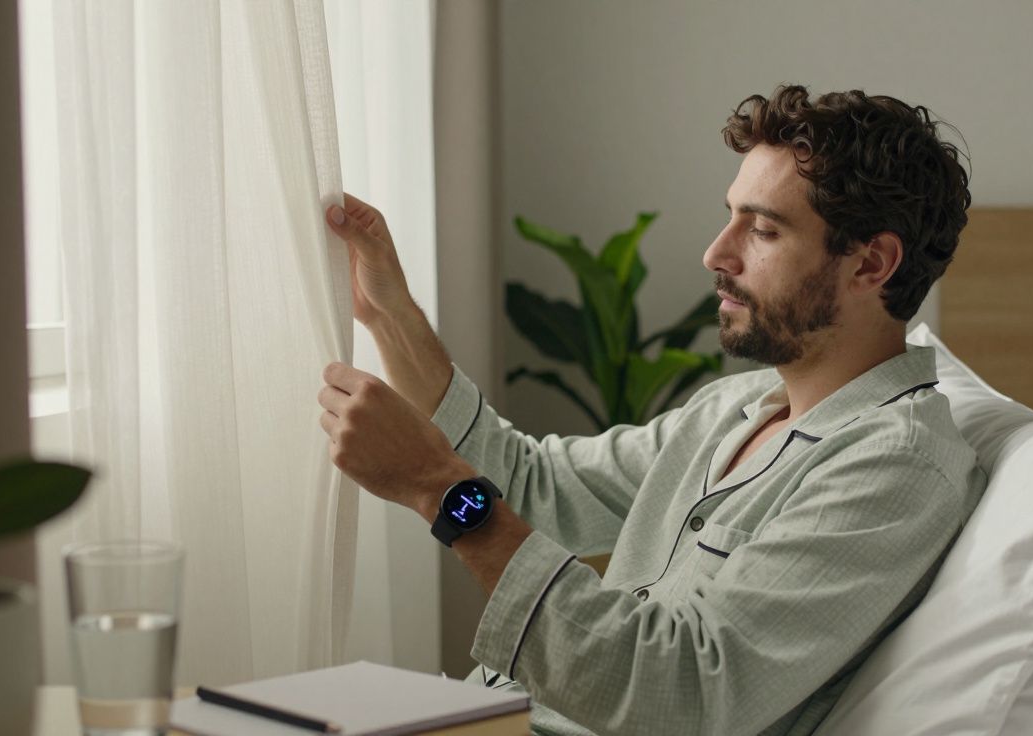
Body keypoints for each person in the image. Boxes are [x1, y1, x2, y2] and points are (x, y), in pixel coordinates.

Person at [316, 85, 985, 735]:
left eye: (763, 230)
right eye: (731, 217)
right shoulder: (731, 410)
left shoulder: (895, 468)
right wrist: (389, 315)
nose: (716, 254)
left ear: (871, 264)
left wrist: (439, 490)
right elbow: (533, 484)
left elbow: (685, 693)